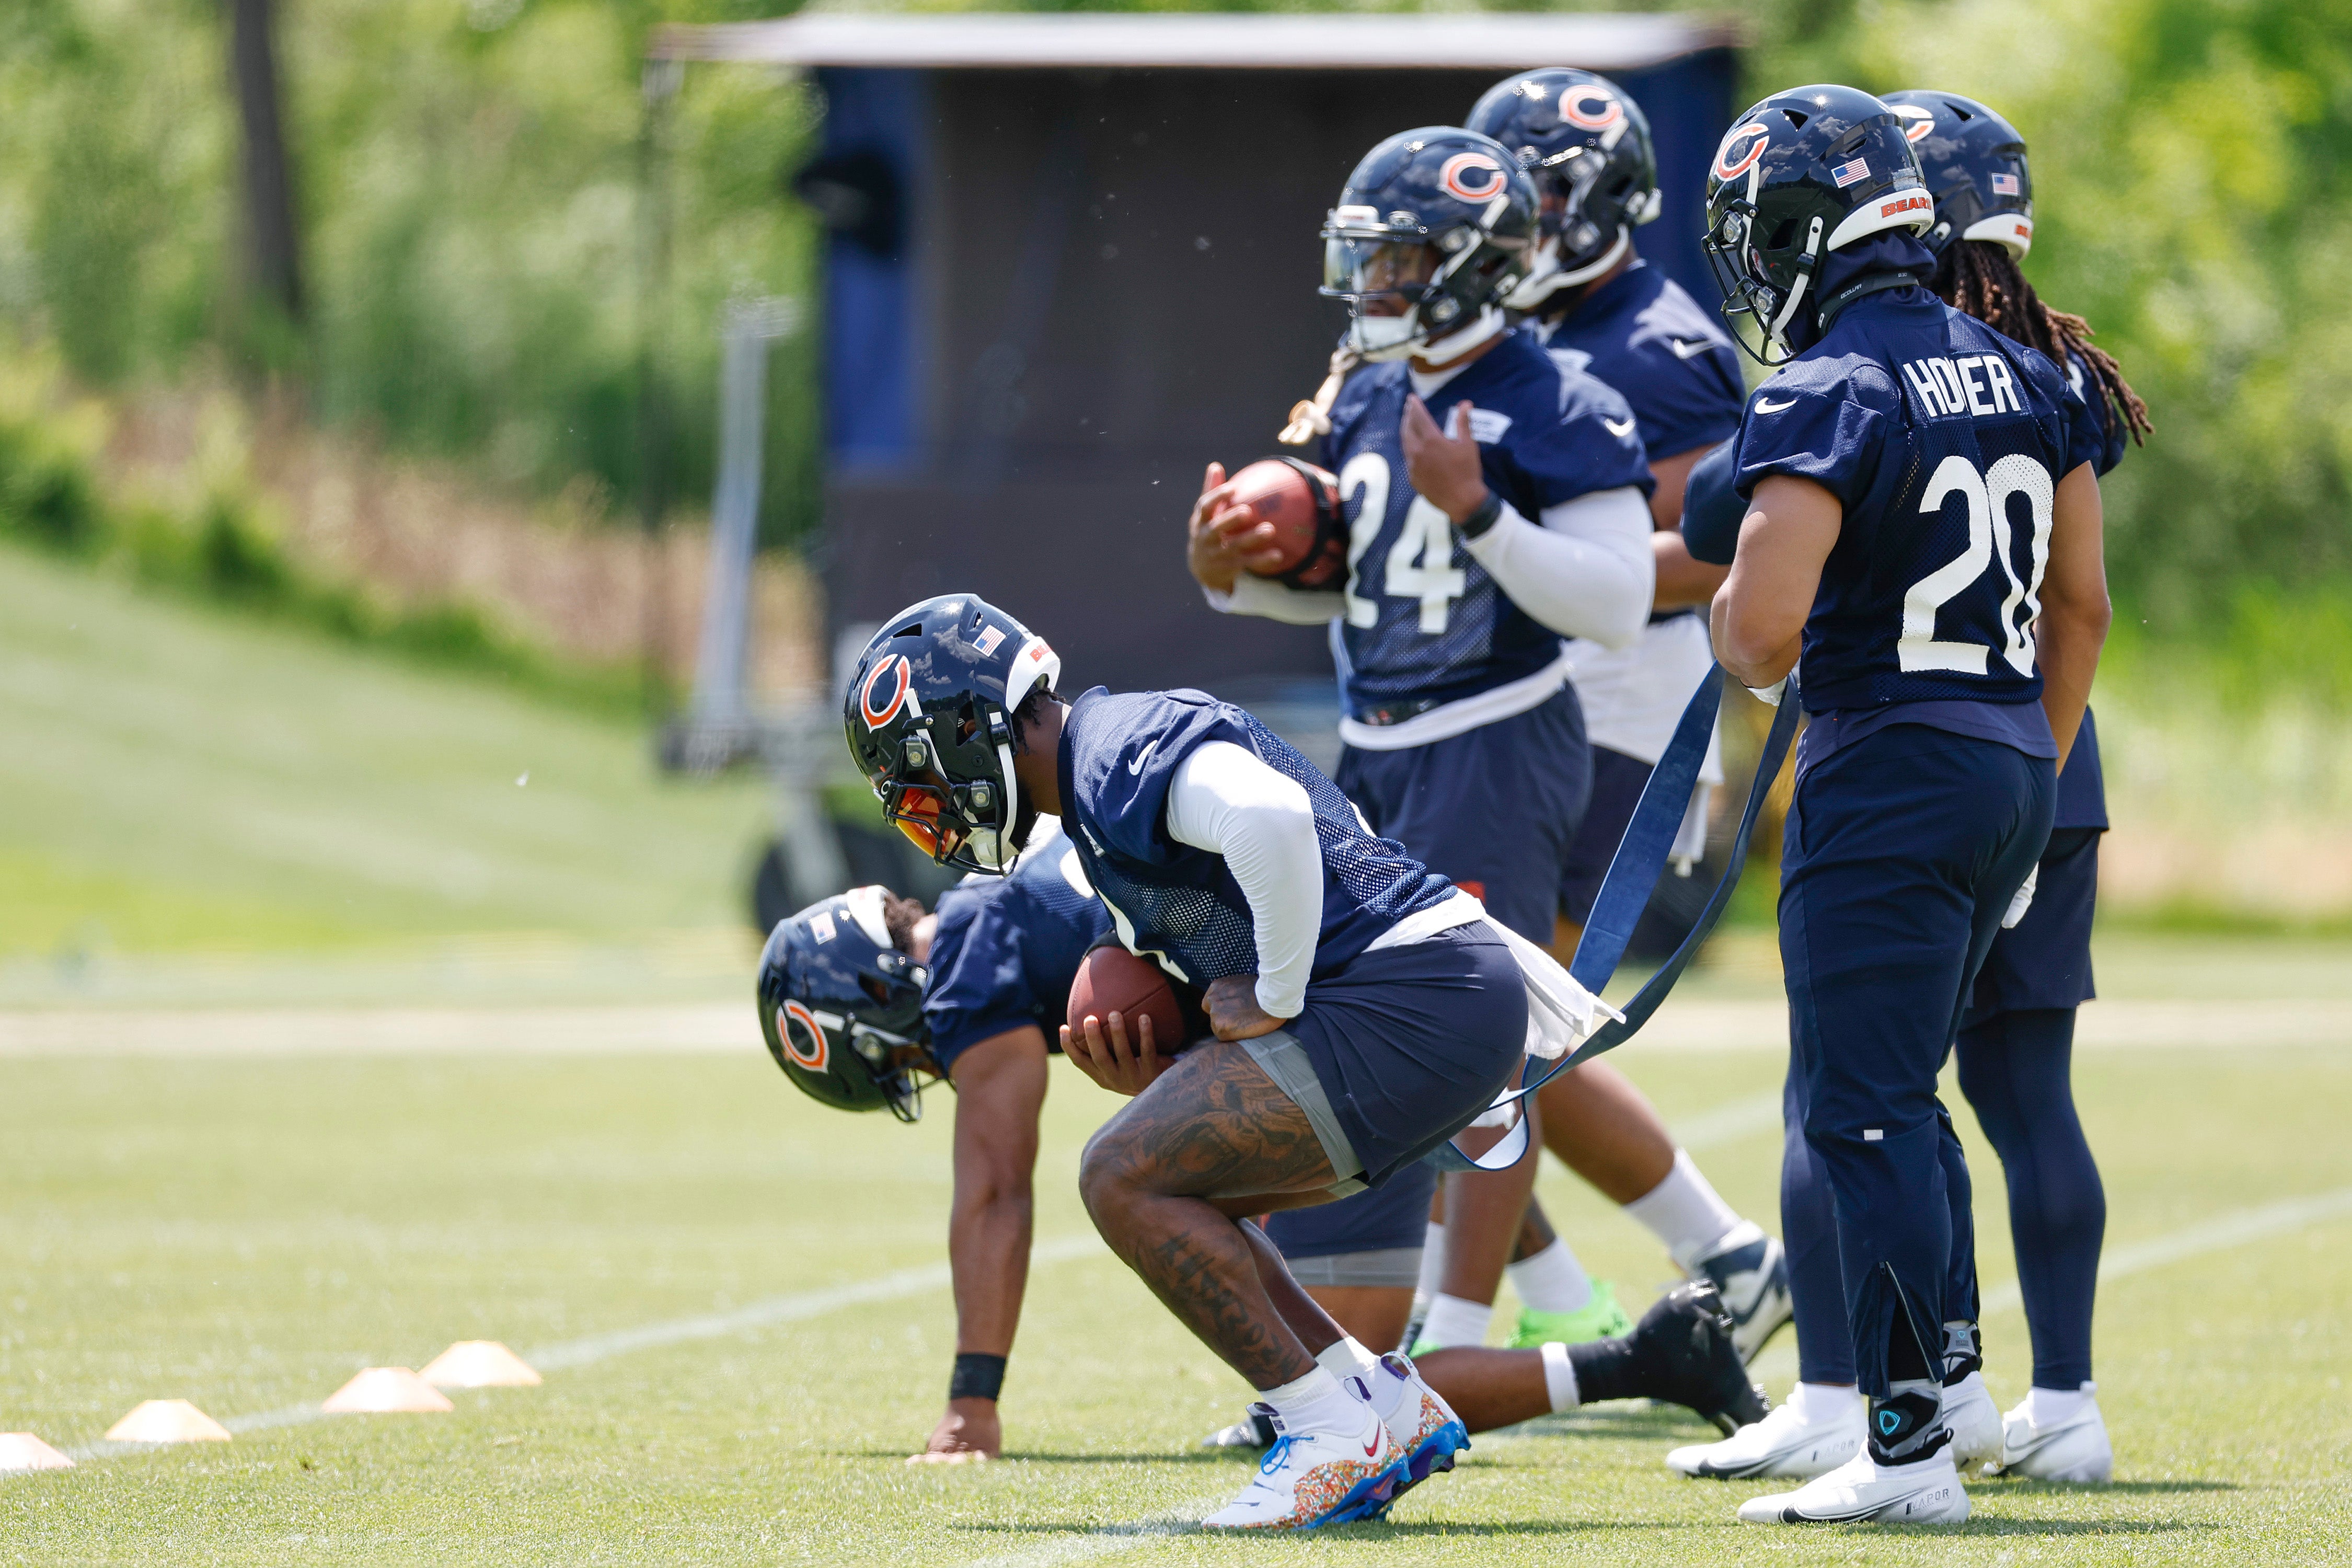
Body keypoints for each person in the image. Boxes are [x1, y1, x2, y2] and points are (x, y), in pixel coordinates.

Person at [841, 591, 1639, 1529]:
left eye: (921, 780)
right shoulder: (1092, 798)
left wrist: (1277, 994)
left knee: (1117, 1176)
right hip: (1430, 996)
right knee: (1185, 1177)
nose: (926, 813)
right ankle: (1376, 1404)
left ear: (969, 731)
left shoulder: (1111, 752)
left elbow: (1270, 821)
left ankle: (1322, 1428)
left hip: (1411, 995)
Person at [1187, 123, 1739, 1373]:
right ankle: (1338, 1343)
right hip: (1380, 742)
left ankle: (1453, 1336)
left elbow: (1609, 598)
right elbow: (1363, 588)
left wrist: (1479, 506)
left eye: (1395, 262)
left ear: (1466, 265)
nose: (1371, 287)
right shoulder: (1370, 388)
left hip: (1496, 746)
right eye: (1366, 260)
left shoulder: (1560, 401)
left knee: (1475, 1053)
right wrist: (1224, 573)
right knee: (1338, 1034)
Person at [1669, 89, 2147, 1490]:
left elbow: (1756, 635)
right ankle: (1954, 1400)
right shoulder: (2029, 371)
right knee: (1912, 1101)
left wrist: (1747, 628)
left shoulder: (1824, 386)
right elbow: (2085, 607)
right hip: (2014, 753)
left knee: (1862, 1110)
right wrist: (2029, 760)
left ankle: (1904, 1445)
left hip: (1890, 763)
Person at [754, 821, 1110, 1462]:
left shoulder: (964, 960)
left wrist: (970, 1409)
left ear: (875, 999)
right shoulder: (990, 898)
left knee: (1134, 1175)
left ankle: (1319, 1399)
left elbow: (996, 1195)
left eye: (906, 1061)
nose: (929, 1069)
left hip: (1317, 1000)